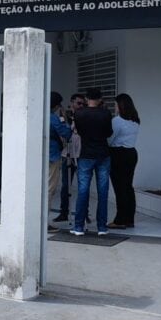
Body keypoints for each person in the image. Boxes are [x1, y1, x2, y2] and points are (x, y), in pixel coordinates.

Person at [71, 87, 113, 236]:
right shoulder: (106, 113)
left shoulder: (79, 113)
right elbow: (109, 133)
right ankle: (102, 227)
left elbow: (79, 131)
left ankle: (78, 227)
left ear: (87, 99)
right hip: (103, 154)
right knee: (103, 192)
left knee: (83, 191)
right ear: (100, 99)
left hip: (86, 154)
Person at [107, 93, 140, 229]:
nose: (115, 107)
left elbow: (110, 139)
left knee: (119, 188)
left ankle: (120, 220)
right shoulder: (135, 120)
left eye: (116, 105)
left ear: (120, 106)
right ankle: (129, 219)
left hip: (118, 154)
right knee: (128, 187)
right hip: (131, 153)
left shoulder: (117, 121)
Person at [54, 93, 85, 223]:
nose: (81, 106)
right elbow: (62, 132)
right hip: (67, 153)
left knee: (83, 185)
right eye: (78, 103)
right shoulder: (64, 115)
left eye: (83, 103)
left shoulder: (84, 115)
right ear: (72, 102)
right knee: (65, 185)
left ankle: (84, 213)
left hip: (81, 154)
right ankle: (64, 212)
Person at [48, 92, 72, 232]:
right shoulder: (53, 118)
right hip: (52, 156)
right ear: (56, 105)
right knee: (49, 189)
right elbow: (66, 133)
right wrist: (64, 118)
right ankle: (44, 221)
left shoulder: (38, 114)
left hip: (38, 156)